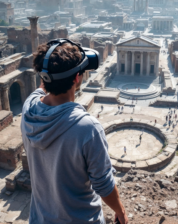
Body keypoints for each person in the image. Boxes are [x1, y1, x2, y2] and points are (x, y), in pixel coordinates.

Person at [21, 40, 128, 224]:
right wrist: (120, 211)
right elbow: (104, 185)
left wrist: (49, 65)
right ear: (77, 78)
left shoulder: (29, 109)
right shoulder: (87, 128)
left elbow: (42, 85)